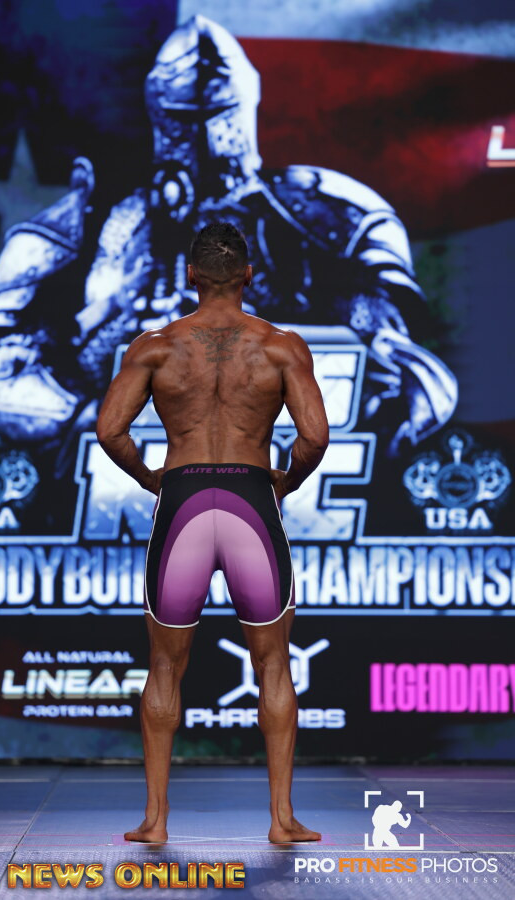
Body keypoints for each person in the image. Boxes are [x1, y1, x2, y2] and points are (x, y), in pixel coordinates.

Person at [96, 222, 329, 843]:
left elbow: (110, 430)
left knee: (164, 666)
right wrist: (285, 483)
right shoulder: (280, 346)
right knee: (273, 663)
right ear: (249, 274)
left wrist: (152, 478)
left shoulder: (156, 347)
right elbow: (314, 437)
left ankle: (155, 820)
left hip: (185, 504)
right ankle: (281, 820)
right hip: (251, 501)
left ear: (190, 275)